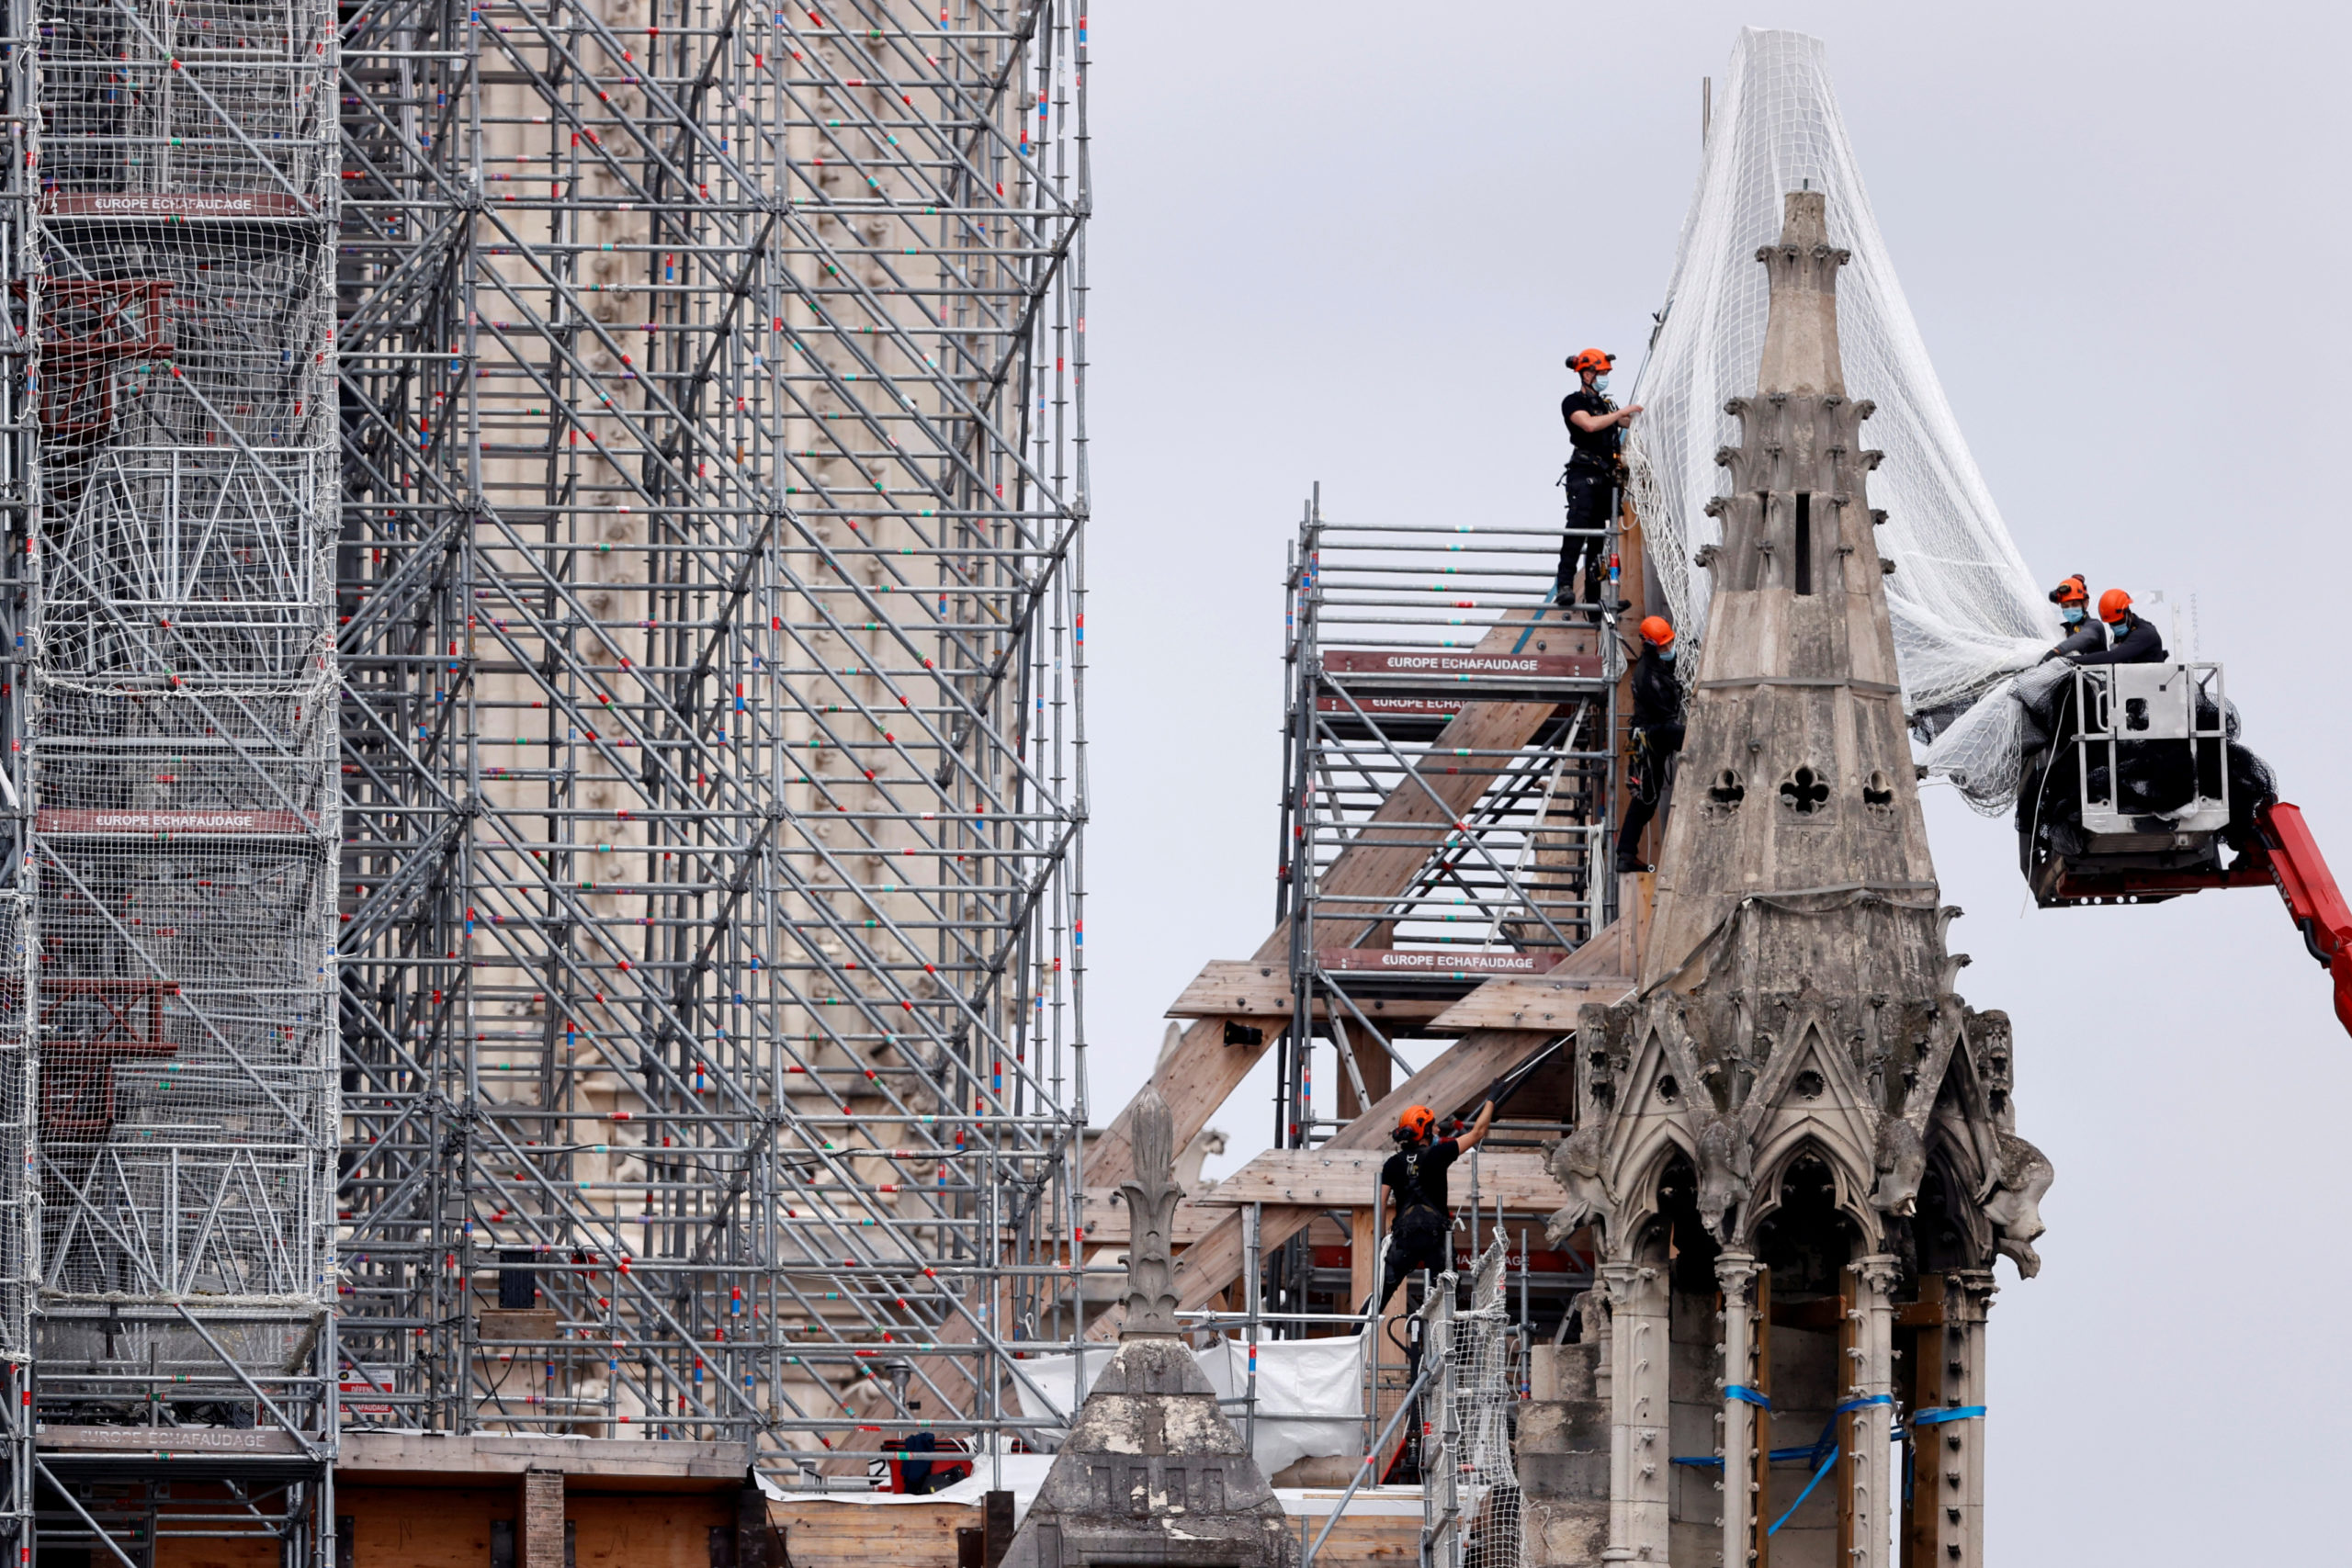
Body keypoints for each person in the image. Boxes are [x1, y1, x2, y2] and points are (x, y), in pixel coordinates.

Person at [1374, 1097, 1495, 1312]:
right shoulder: (1439, 1154)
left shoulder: (1392, 1164)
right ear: (1426, 1131)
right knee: (1448, 1302)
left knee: (1379, 1298)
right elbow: (1478, 1132)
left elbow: (1380, 1201)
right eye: (1434, 1126)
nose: (1438, 1129)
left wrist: (1383, 1237)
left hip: (1404, 1240)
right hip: (1436, 1240)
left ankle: (1355, 1337)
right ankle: (1450, 1344)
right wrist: (1491, 1099)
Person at [1557, 349, 1643, 615]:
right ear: (1586, 374)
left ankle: (1594, 601)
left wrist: (1637, 412)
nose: (1604, 378)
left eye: (1605, 373)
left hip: (1606, 479)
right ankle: (1564, 585)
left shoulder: (1606, 405)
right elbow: (1590, 426)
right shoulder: (1573, 402)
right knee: (1578, 530)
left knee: (1599, 542)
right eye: (1601, 373)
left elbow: (1627, 420)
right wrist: (1621, 415)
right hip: (1584, 475)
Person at [1614, 615, 1686, 874]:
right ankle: (1625, 855)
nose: (1669, 650)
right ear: (1651, 645)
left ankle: (1626, 854)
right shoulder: (1648, 675)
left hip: (1645, 736)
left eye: (1670, 645)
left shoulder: (1655, 666)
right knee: (1645, 799)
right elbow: (1666, 712)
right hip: (1646, 737)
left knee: (1646, 802)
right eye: (1664, 647)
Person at [2069, 588, 2166, 666]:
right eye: (2112, 623)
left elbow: (2113, 657)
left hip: (2149, 687)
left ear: (2127, 613)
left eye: (2118, 621)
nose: (2115, 626)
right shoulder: (2123, 636)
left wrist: (2071, 661)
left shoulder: (2144, 634)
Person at [2037, 574, 2109, 663]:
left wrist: (2055, 651)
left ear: (2085, 603)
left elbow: (2084, 636)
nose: (2070, 609)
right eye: (2065, 606)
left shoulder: (2095, 626)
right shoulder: (2063, 629)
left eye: (2074, 604)